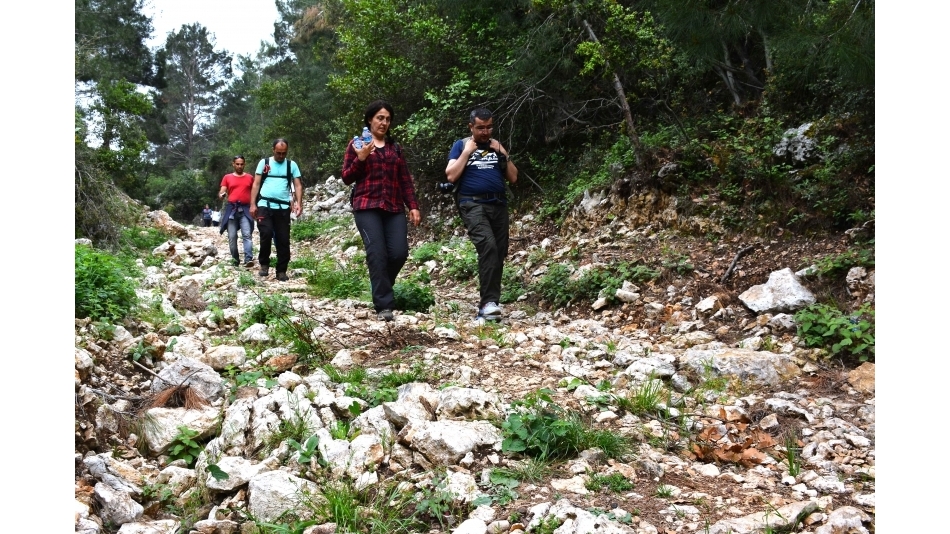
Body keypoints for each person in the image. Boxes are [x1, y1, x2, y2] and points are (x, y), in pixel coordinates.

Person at [342, 100, 422, 321]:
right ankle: (384, 306)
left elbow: (404, 179)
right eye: (380, 118)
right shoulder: (357, 144)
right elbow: (347, 177)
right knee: (377, 253)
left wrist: (413, 206)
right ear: (370, 119)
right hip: (366, 206)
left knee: (399, 252)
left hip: (394, 206)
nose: (384, 122)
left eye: (387, 119)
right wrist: (361, 159)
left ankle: (381, 285)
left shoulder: (395, 147)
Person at [445, 107, 518, 320]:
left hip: (498, 203)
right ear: (471, 127)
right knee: (488, 246)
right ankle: (487, 304)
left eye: (488, 127)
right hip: (472, 204)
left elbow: (513, 177)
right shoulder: (460, 146)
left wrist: (503, 152)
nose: (485, 132)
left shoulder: (497, 147)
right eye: (480, 128)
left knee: (498, 251)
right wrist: (467, 152)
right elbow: (450, 175)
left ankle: (491, 303)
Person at [250, 139, 303, 282]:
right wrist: (252, 204)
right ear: (273, 150)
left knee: (283, 239)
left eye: (284, 153)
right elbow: (256, 184)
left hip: (283, 208)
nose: (281, 156)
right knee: (266, 233)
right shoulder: (264, 163)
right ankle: (264, 264)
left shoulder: (291, 165)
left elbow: (297, 185)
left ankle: (281, 270)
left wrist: (298, 203)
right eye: (278, 153)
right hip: (264, 205)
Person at [218, 155, 256, 267]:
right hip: (232, 210)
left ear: (244, 164)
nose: (239, 166)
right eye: (237, 164)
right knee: (232, 236)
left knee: (247, 234)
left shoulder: (250, 177)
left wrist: (254, 205)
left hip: (245, 209)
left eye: (241, 164)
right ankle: (235, 260)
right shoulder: (227, 177)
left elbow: (254, 192)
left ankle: (248, 259)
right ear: (233, 164)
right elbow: (222, 192)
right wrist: (222, 195)